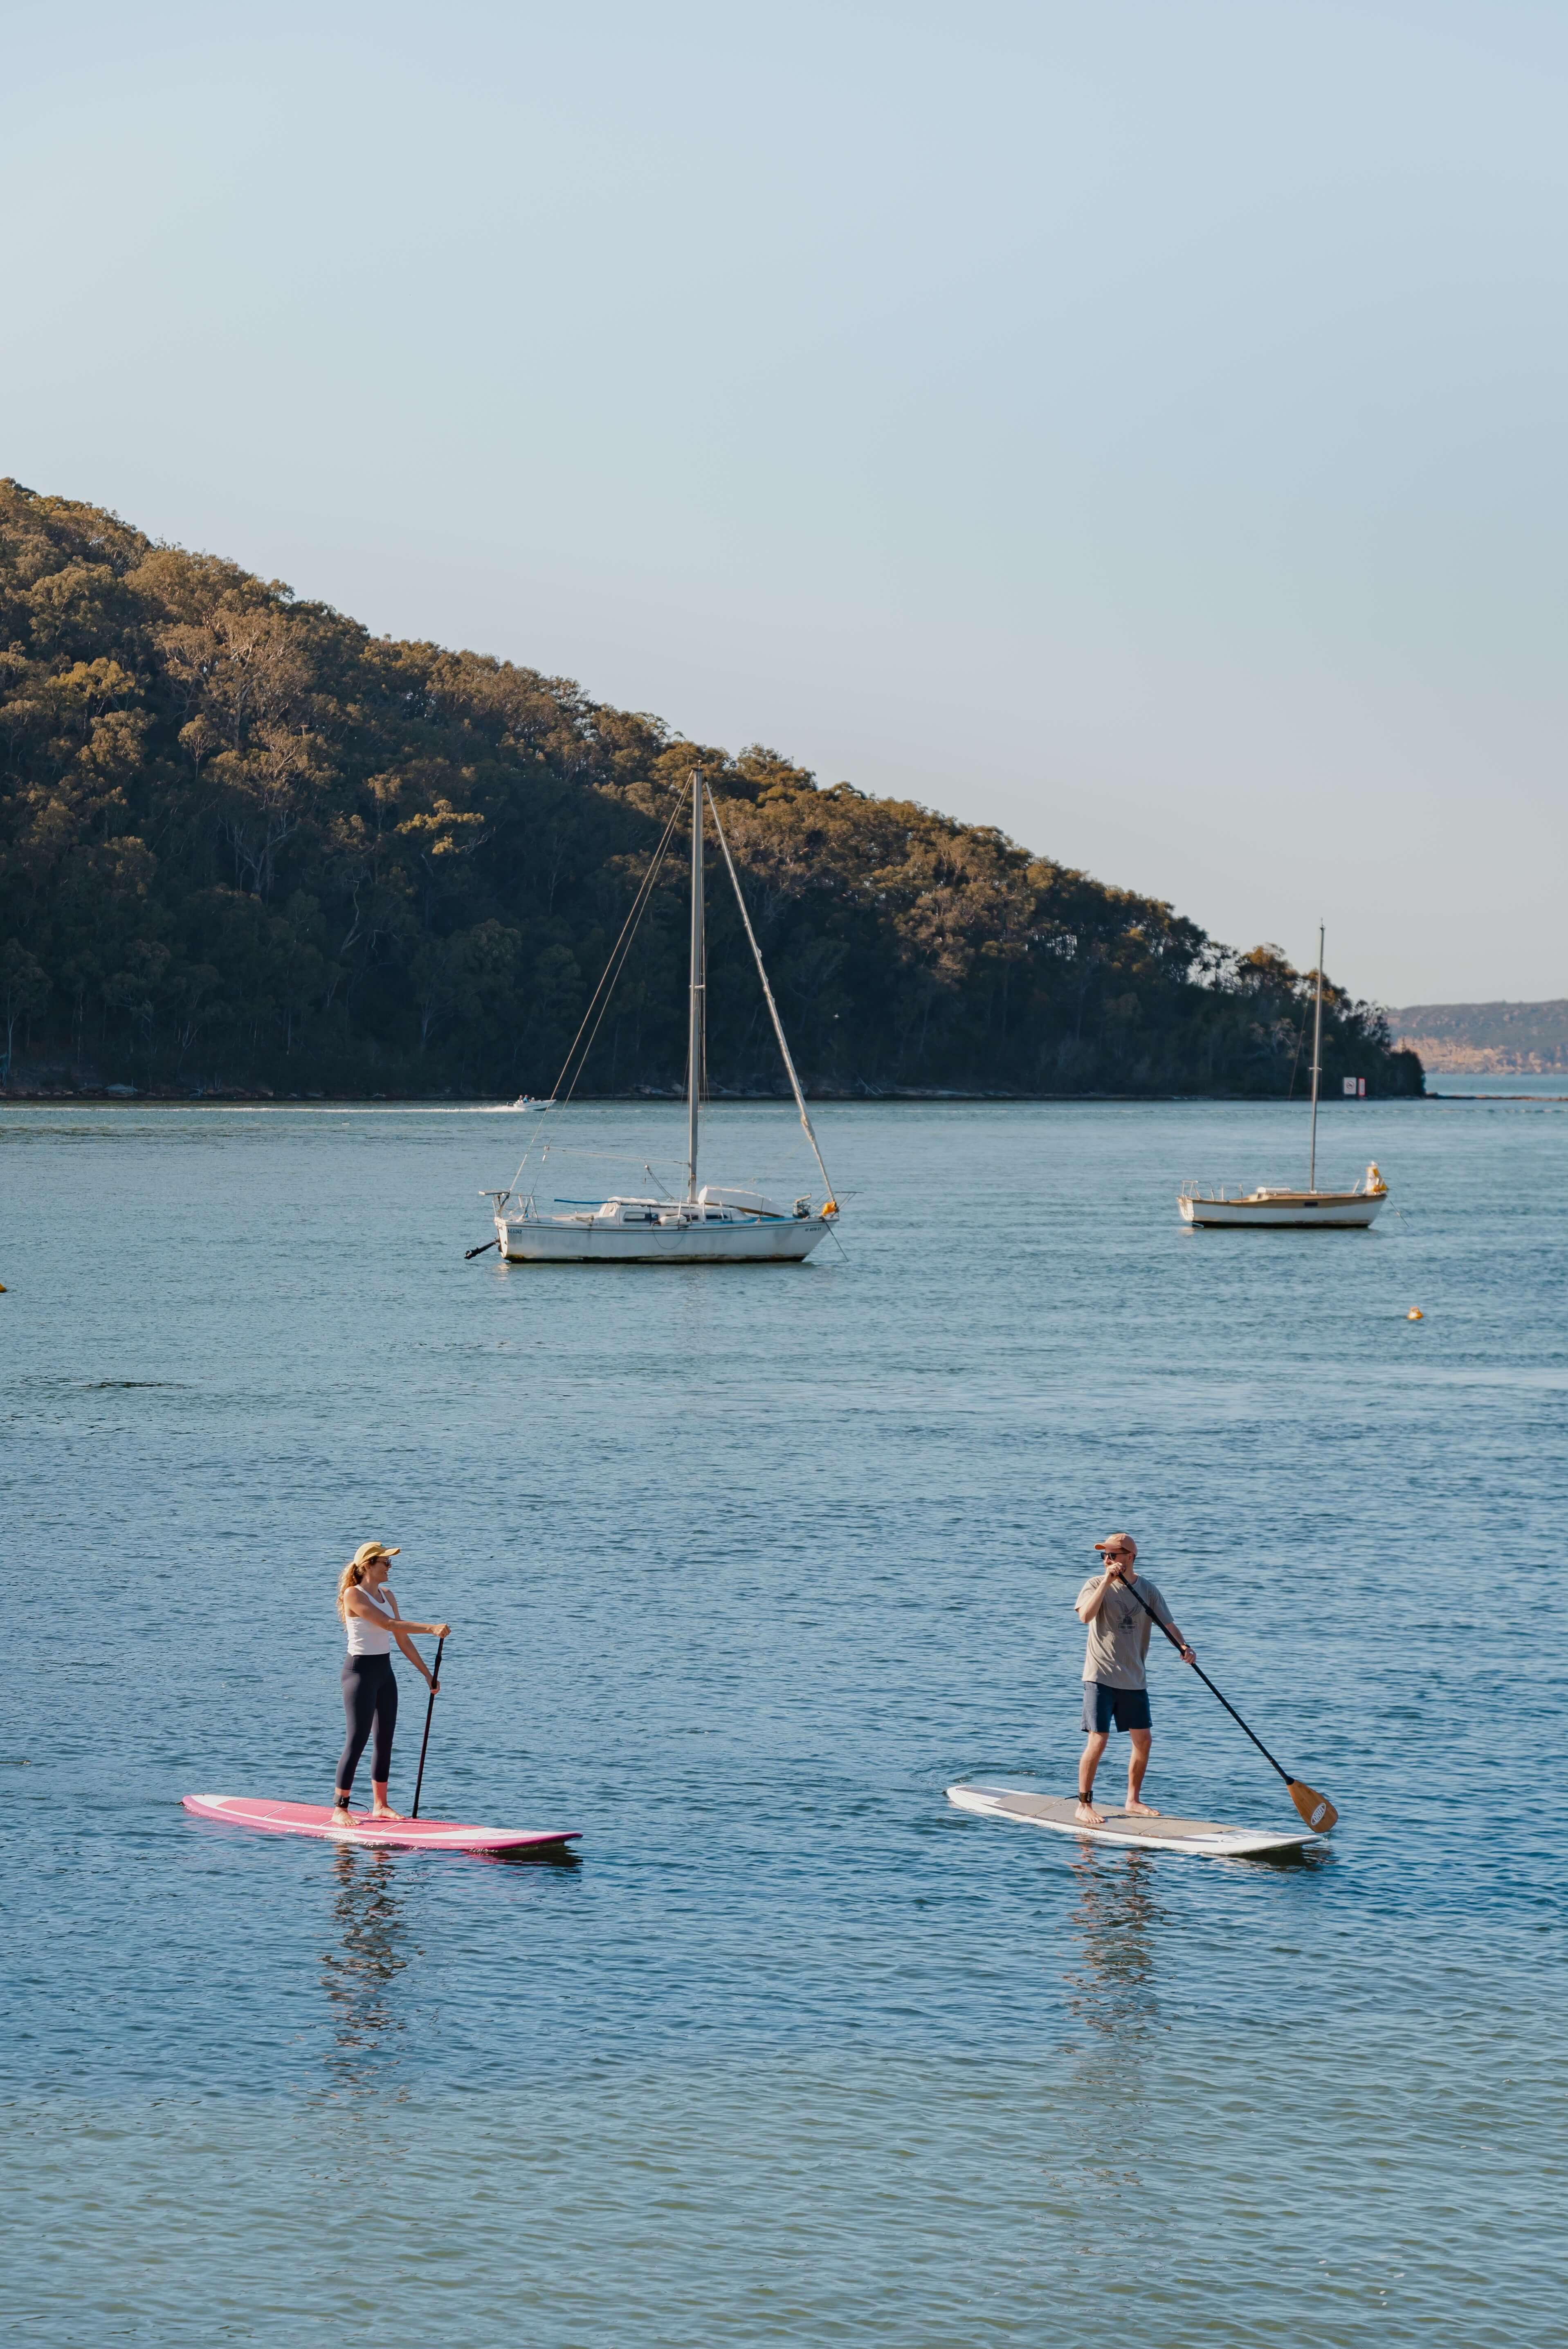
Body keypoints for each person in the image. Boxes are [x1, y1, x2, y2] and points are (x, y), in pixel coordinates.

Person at [1074, 1532, 1194, 1826]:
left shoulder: (1148, 1590)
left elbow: (1168, 1623)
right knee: (1098, 1740)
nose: (1107, 1560)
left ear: (1129, 1556)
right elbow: (1085, 1617)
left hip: (1134, 1678)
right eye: (1104, 1556)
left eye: (1113, 1555)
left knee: (1143, 1740)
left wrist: (1184, 1646)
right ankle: (1084, 1804)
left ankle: (1133, 1800)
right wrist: (1106, 1581)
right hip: (1100, 1676)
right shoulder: (1094, 1584)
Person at [332, 1542, 450, 1825]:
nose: (390, 1567)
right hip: (359, 1674)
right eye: (385, 1562)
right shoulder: (353, 1595)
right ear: (367, 1566)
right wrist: (431, 1628)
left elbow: (402, 1639)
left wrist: (426, 1674)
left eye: (390, 1562)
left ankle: (380, 1805)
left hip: (385, 1672)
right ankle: (340, 1808)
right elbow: (388, 1625)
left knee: (385, 1739)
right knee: (357, 1739)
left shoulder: (387, 1595)